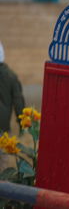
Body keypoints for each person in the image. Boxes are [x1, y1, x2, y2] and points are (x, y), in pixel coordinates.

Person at [0, 41, 25, 171]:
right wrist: (22, 123)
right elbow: (18, 101)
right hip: (3, 126)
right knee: (2, 159)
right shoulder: (11, 76)